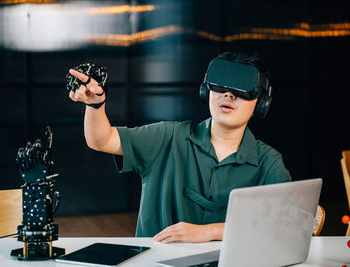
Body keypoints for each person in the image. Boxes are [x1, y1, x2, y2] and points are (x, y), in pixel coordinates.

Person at [68, 52, 291, 244]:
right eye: (220, 84)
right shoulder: (168, 137)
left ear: (261, 103)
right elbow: (102, 140)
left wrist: (209, 231)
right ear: (206, 91)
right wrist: (95, 105)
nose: (229, 95)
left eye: (242, 89)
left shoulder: (268, 163)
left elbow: (283, 226)